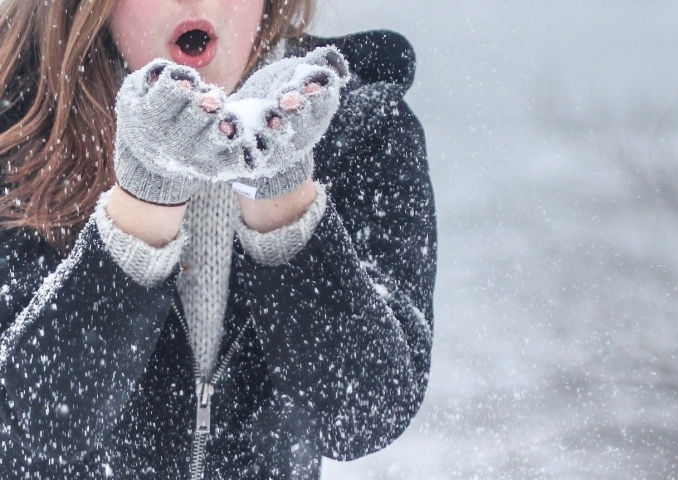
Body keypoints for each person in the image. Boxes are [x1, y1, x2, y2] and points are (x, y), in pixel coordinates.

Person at [0, 0, 436, 478]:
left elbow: (365, 416)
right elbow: (26, 429)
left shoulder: (360, 127)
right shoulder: (17, 137)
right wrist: (144, 203)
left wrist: (283, 194)